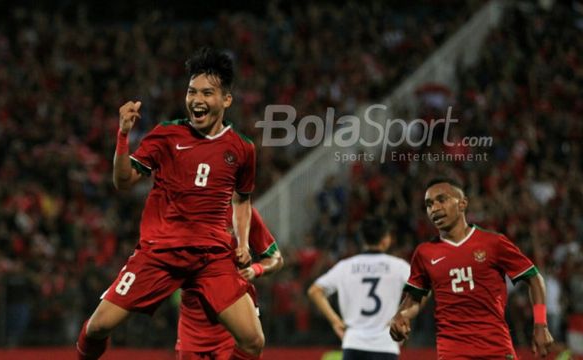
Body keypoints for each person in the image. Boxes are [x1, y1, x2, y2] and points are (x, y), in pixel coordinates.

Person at [75, 47, 264, 360]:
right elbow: (123, 181)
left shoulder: (242, 149)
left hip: (211, 257)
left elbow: (242, 200)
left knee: (253, 341)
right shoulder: (165, 134)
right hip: (160, 253)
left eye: (207, 92)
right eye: (191, 92)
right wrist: (123, 135)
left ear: (226, 100)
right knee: (97, 328)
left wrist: (242, 242)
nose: (196, 100)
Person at [389, 178, 555, 359]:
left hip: (496, 348)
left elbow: (534, 278)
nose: (434, 209)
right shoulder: (424, 253)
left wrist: (541, 324)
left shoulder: (493, 243)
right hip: (452, 352)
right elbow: (414, 298)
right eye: (429, 205)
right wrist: (400, 316)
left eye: (441, 200)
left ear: (462, 204)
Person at [176, 207, 284, 360]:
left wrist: (256, 269)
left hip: (232, 324)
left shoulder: (243, 212)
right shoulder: (185, 208)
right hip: (193, 323)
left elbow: (276, 258)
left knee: (251, 343)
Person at [308, 216, 410, 360]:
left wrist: (335, 321)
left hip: (354, 342)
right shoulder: (398, 267)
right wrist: (404, 315)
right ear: (386, 239)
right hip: (385, 343)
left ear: (362, 239)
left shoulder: (346, 266)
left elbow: (315, 291)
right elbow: (423, 289)